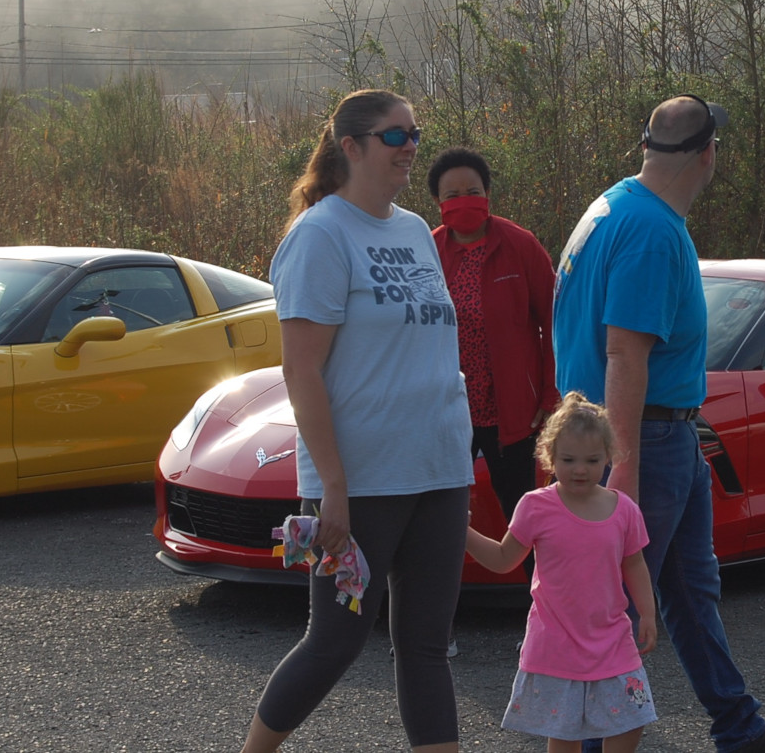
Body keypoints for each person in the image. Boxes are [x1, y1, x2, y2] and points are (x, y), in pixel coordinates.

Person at [551, 95, 765, 753]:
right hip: (641, 437)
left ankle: (739, 723)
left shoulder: (615, 203)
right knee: (615, 606)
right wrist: (623, 475)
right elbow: (624, 353)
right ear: (707, 153)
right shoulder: (651, 230)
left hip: (657, 432)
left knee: (688, 587)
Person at [243, 89, 472, 753]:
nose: (410, 149)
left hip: (437, 469)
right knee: (335, 641)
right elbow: (301, 371)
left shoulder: (411, 231)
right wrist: (331, 486)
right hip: (361, 481)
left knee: (428, 645)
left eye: (415, 135)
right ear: (351, 146)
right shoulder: (320, 236)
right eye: (394, 136)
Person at [465, 391, 659, 753]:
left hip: (612, 638)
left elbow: (634, 562)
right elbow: (505, 558)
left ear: (608, 457)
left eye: (592, 459)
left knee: (634, 718)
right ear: (550, 457)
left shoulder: (624, 509)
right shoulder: (536, 506)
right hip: (556, 641)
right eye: (568, 459)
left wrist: (647, 612)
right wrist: (462, 533)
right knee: (565, 730)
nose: (580, 469)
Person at [427, 147, 559, 531]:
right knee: (440, 516)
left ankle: (540, 591)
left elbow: (554, 321)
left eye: (473, 191)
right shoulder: (427, 250)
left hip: (513, 411)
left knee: (524, 516)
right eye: (452, 195)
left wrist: (550, 393)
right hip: (448, 411)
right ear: (437, 202)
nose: (463, 201)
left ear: (487, 194)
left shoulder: (520, 245)